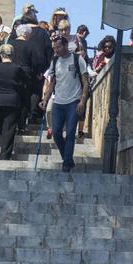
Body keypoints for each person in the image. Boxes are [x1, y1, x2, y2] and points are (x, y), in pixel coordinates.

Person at [40, 32, 91, 171]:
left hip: (73, 102)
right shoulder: (55, 61)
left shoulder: (77, 59)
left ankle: (66, 164)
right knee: (56, 133)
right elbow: (52, 82)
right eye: (54, 48)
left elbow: (85, 81)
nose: (56, 50)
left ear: (65, 46)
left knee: (70, 133)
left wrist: (82, 101)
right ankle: (67, 158)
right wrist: (45, 99)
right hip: (58, 102)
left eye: (58, 47)